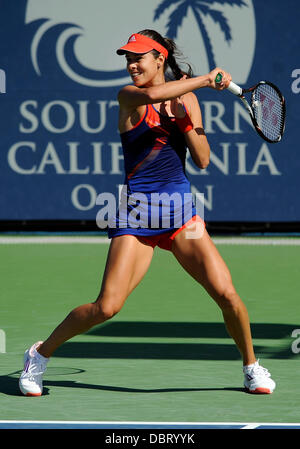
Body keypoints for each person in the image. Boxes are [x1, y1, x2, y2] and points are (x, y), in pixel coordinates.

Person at [19, 29, 275, 396]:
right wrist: (203, 81)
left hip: (181, 216)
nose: (132, 64)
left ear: (160, 58)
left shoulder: (186, 97)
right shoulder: (129, 97)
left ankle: (251, 367)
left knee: (227, 294)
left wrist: (186, 116)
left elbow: (202, 159)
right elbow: (155, 94)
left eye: (139, 57)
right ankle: (39, 355)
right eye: (128, 58)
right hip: (136, 218)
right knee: (106, 307)